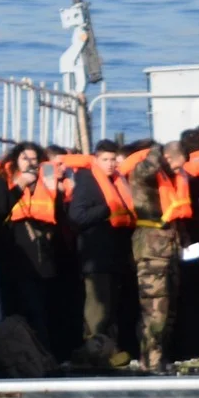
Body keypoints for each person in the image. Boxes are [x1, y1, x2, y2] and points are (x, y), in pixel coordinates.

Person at [65, 138, 136, 356]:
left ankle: (110, 351)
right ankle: (93, 354)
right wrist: (106, 210)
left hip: (115, 257)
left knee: (111, 308)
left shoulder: (117, 181)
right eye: (105, 159)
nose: (110, 164)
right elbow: (77, 216)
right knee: (97, 310)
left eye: (113, 159)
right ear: (96, 160)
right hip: (96, 258)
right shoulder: (87, 180)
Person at [0, 143, 60, 346]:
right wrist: (20, 186)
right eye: (24, 158)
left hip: (42, 256)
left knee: (44, 307)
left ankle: (46, 353)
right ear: (15, 161)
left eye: (34, 159)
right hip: (17, 256)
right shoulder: (4, 182)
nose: (30, 163)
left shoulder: (46, 182)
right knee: (26, 306)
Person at [127, 140, 186, 372]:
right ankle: (150, 360)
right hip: (151, 250)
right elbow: (147, 168)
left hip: (168, 249)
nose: (180, 171)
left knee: (168, 309)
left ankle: (160, 357)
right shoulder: (144, 174)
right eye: (178, 165)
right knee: (154, 309)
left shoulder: (167, 178)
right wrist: (157, 151)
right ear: (168, 159)